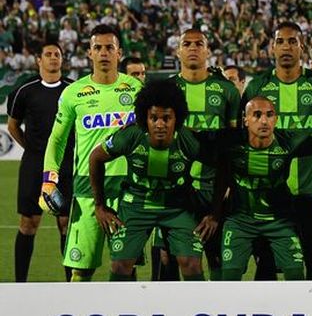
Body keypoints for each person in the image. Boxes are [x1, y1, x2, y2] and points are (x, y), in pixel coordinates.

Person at [41, 24, 143, 281]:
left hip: (128, 190)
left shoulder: (137, 90)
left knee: (125, 267)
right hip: (87, 189)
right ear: (89, 53)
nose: (104, 53)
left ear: (119, 53)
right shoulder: (73, 93)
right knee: (80, 270)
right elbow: (57, 139)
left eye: (109, 47)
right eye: (98, 48)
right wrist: (49, 179)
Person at [213, 97, 312, 281]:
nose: (264, 121)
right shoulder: (231, 142)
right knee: (229, 278)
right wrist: (214, 213)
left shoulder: (288, 141)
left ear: (276, 119)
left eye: (269, 115)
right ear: (245, 119)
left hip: (280, 222)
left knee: (295, 275)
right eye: (257, 115)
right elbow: (217, 170)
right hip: (240, 222)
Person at [88, 80, 211, 281]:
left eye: (166, 118)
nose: (160, 124)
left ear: (177, 118)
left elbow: (222, 165)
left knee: (191, 264)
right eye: (154, 118)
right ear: (145, 118)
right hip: (136, 205)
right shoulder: (131, 136)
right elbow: (95, 157)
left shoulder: (188, 139)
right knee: (120, 266)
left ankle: (195, 303)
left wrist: (214, 213)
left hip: (178, 207)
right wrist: (100, 205)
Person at [242, 22, 312, 280]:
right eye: (280, 42)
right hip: (268, 193)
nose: (286, 47)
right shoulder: (257, 87)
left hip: (311, 191)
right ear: (272, 48)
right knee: (266, 266)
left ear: (301, 47)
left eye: (292, 41)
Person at [172, 28, 241, 281]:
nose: (193, 48)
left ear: (208, 51)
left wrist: (230, 186)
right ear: (178, 51)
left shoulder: (226, 90)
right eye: (187, 44)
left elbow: (234, 143)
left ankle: (217, 301)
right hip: (176, 190)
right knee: (175, 259)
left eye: (199, 44)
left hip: (216, 189)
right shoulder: (168, 89)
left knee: (217, 258)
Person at [8, 43, 73, 282]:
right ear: (39, 60)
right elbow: (13, 125)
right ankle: (20, 284)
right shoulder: (25, 90)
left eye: (57, 54)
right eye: (48, 54)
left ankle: (73, 284)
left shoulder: (73, 90)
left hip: (66, 164)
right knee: (29, 223)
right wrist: (32, 149)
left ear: (62, 60)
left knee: (65, 223)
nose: (53, 58)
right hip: (34, 165)